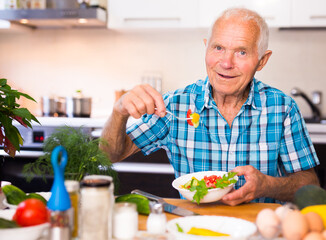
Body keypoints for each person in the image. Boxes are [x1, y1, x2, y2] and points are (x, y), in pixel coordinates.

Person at [100, 8, 320, 205]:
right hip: (193, 227)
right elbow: (109, 155)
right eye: (218, 48)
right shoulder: (174, 106)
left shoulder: (282, 109)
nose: (226, 63)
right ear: (206, 48)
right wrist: (119, 112)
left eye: (241, 52)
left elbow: (310, 185)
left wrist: (268, 186)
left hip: (260, 228)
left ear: (262, 60)